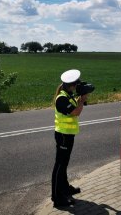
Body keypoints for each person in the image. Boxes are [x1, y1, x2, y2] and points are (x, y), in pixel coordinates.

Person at [51, 69, 88, 208]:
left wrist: (80, 99)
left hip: (68, 135)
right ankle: (56, 197)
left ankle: (65, 188)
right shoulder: (61, 98)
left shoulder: (69, 94)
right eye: (76, 83)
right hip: (63, 136)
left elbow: (75, 108)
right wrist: (82, 101)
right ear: (70, 85)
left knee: (64, 164)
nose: (78, 86)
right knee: (59, 165)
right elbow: (75, 112)